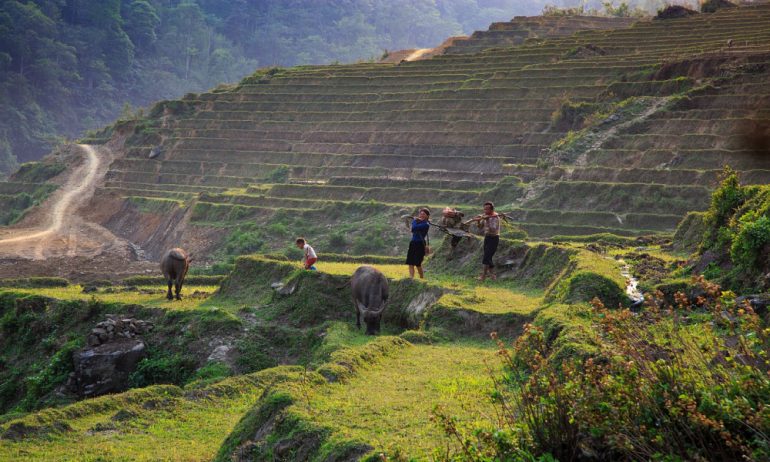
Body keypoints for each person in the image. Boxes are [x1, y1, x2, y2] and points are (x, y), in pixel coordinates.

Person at [470, 201, 499, 281]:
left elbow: (493, 229)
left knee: (486, 257)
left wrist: (487, 220)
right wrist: (479, 220)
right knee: (488, 257)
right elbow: (480, 227)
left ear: (492, 209)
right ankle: (493, 275)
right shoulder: (485, 216)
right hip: (487, 237)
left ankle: (483, 276)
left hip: (494, 238)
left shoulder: (495, 217)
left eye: (487, 209)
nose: (485, 211)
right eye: (484, 209)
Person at [405, 208, 430, 279]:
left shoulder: (426, 224)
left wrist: (415, 220)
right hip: (413, 243)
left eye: (423, 214)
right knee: (410, 262)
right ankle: (411, 278)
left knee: (418, 263)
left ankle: (422, 278)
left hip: (420, 244)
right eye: (420, 214)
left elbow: (414, 227)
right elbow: (413, 229)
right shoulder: (418, 222)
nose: (421, 215)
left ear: (427, 216)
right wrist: (416, 221)